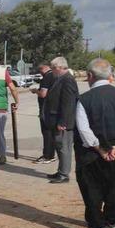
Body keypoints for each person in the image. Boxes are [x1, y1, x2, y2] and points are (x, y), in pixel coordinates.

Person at [74, 58, 115, 228]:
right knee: (114, 186)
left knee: (92, 189)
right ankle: (113, 221)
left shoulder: (84, 100)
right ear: (110, 75)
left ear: (90, 76)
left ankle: (96, 227)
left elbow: (84, 130)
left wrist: (100, 150)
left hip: (90, 154)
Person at [42, 56, 78, 184]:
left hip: (63, 122)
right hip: (56, 119)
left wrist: (63, 122)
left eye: (53, 68)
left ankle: (64, 174)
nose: (52, 71)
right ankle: (61, 170)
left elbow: (68, 103)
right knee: (59, 146)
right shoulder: (60, 79)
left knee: (63, 147)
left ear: (60, 67)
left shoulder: (67, 80)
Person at [31, 63, 56, 164]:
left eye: (40, 71)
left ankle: (47, 156)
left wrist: (35, 91)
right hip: (53, 108)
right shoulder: (55, 75)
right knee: (51, 132)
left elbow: (43, 94)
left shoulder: (47, 77)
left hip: (46, 108)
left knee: (46, 132)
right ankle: (51, 154)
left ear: (43, 69)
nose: (40, 73)